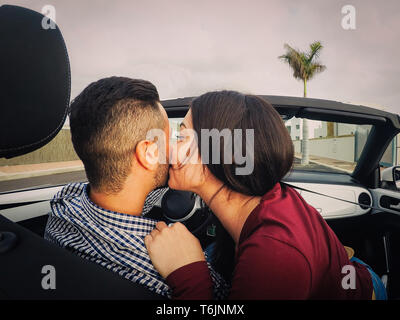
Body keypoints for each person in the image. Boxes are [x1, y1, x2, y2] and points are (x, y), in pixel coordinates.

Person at [144, 90, 386, 300]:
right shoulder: (262, 197)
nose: (170, 150)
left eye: (182, 137)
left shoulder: (274, 255)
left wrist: (189, 275)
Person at [44, 77, 227, 298]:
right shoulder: (161, 272)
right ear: (148, 153)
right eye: (170, 138)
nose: (173, 149)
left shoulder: (64, 201)